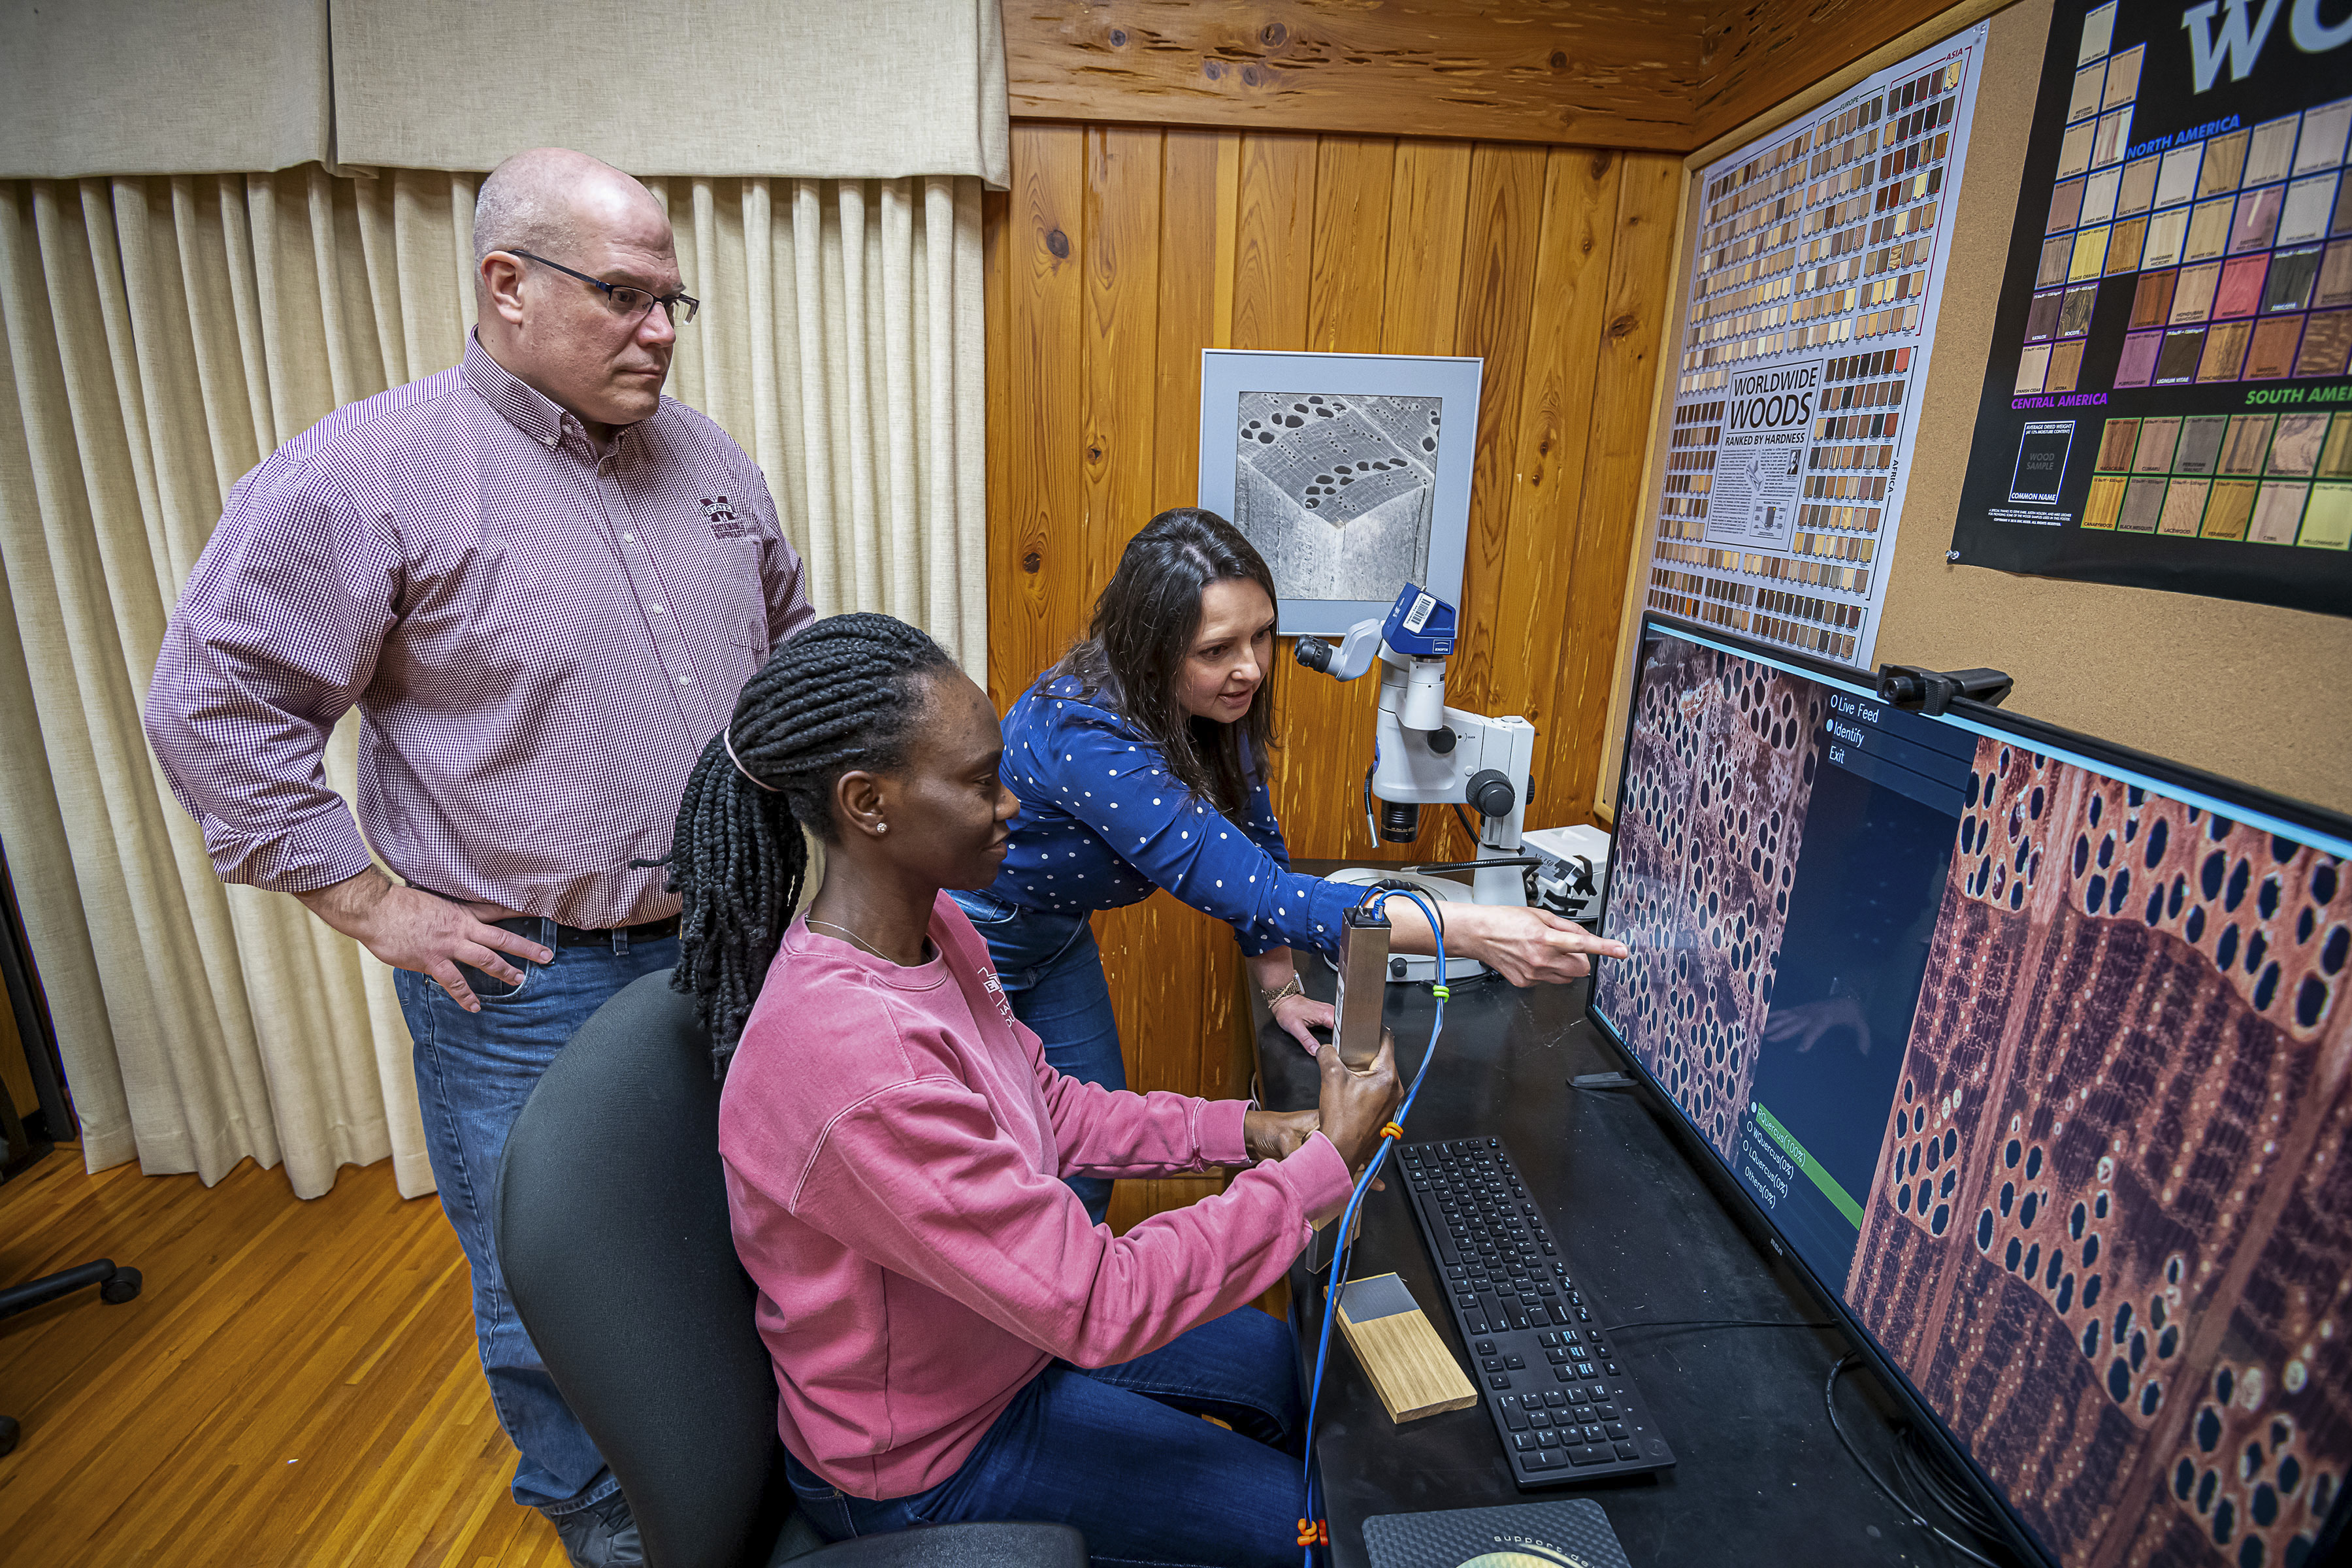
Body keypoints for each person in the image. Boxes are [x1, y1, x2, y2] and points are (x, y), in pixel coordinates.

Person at [144, 147, 813, 1567]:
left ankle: (742, 1488)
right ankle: (602, 1521)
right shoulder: (365, 477)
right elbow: (212, 705)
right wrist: (369, 900)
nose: (661, 331)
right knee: (553, 1284)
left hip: (728, 946)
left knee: (735, 1233)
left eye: (674, 301)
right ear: (507, 285)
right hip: (531, 984)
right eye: (626, 297)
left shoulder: (712, 463)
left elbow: (787, 648)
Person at [660, 612, 1402, 1567]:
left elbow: (1050, 1105)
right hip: (930, 1461)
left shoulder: (938, 931)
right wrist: (1324, 1166)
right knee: (1324, 1536)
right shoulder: (855, 1064)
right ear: (868, 803)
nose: (1012, 801)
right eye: (978, 783)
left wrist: (1255, 1133)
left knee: (1280, 1364)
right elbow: (1098, 1302)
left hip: (1004, 1340)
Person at [959, 507, 1627, 1220]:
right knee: (1017, 1172)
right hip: (981, 931)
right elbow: (1262, 892)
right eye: (1217, 649)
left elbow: (1254, 834)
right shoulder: (1088, 733)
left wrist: (1278, 985)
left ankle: (1071, 1318)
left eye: (1263, 634)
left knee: (1087, 1169)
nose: (1250, 667)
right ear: (1151, 650)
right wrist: (1468, 930)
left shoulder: (1209, 703)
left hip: (1057, 933)